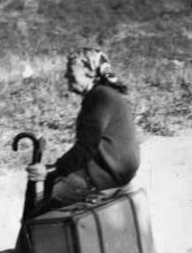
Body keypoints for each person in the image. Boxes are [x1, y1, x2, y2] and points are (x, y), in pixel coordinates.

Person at [26, 48, 140, 209]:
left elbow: (86, 147)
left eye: (71, 70)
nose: (66, 75)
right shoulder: (107, 94)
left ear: (89, 73)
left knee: (42, 206)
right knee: (56, 183)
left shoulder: (99, 98)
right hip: (118, 175)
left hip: (104, 178)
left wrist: (52, 170)